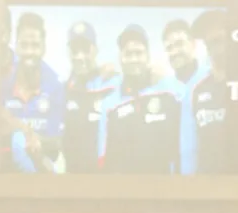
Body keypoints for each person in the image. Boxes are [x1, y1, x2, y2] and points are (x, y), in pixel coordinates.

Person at [97, 24, 183, 173]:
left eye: (139, 53)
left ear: (148, 56)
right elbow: (102, 156)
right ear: (120, 59)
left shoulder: (169, 91)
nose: (134, 59)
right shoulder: (109, 103)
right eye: (128, 54)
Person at [0, 12, 64, 172]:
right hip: (5, 174)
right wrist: (22, 131)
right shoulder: (3, 81)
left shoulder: (55, 86)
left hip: (41, 171)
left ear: (44, 48)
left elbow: (58, 142)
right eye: (24, 45)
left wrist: (37, 142)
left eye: (35, 46)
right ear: (16, 46)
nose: (29, 52)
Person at [61, 22, 118, 174]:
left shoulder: (112, 84)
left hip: (105, 178)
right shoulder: (64, 89)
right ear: (69, 53)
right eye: (75, 50)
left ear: (96, 50)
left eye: (85, 49)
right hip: (73, 178)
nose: (80, 56)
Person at [162, 18, 208, 175]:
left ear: (193, 44)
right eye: (169, 48)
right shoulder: (165, 89)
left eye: (179, 44)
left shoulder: (210, 79)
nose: (174, 52)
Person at [189, 9, 228, 174]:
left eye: (220, 39)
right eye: (210, 41)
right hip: (206, 182)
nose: (216, 46)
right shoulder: (198, 90)